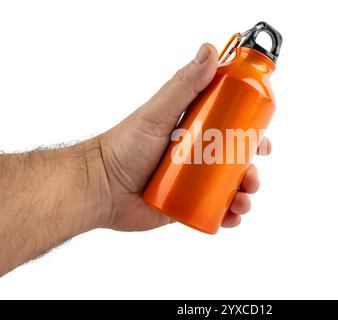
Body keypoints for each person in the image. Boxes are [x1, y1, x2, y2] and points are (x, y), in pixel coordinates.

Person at [0, 44, 272, 276]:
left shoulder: (251, 89)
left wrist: (104, 176)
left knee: (231, 150)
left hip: (135, 188)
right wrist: (106, 173)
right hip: (145, 186)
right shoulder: (232, 79)